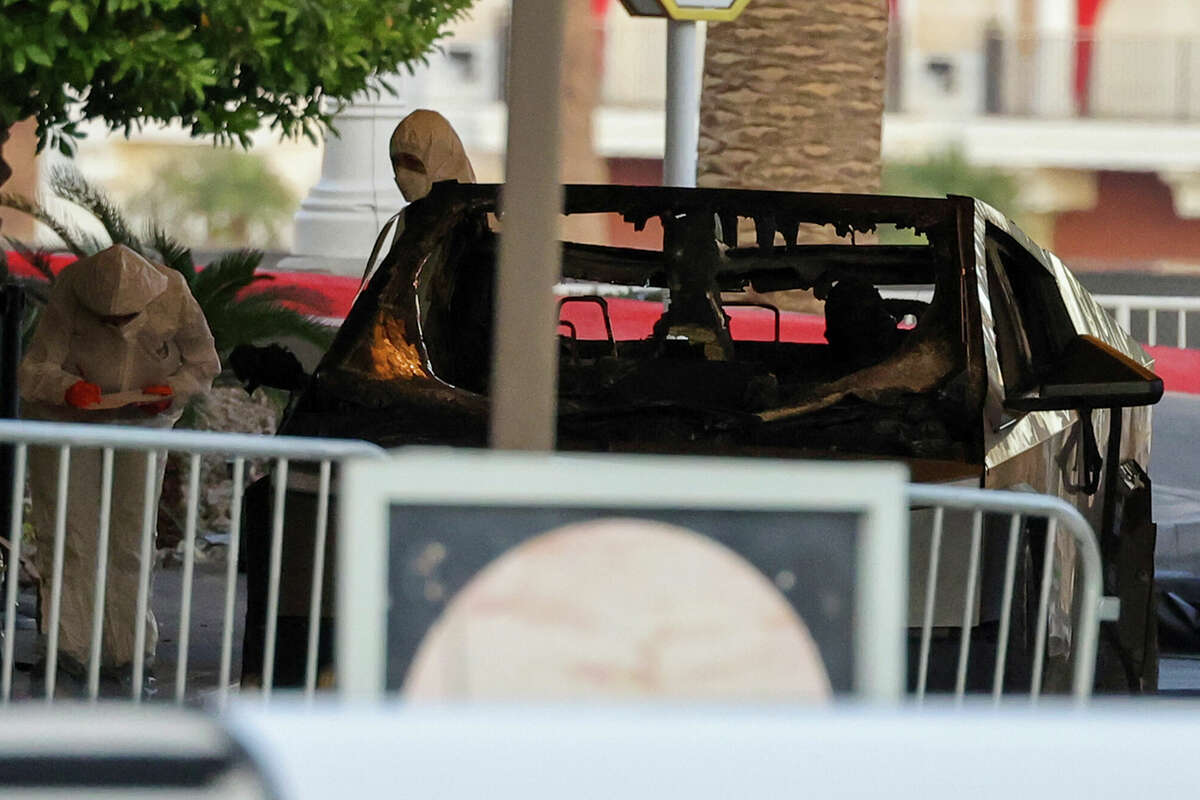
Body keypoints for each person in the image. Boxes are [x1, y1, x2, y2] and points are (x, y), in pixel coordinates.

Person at [19, 244, 220, 689]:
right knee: (72, 535)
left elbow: (205, 362)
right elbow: (34, 369)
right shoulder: (71, 289)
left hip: (143, 425)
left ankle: (128, 652)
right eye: (106, 322)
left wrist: (172, 389)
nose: (115, 328)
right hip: (67, 425)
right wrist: (68, 389)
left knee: (131, 537)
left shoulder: (175, 292)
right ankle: (68, 648)